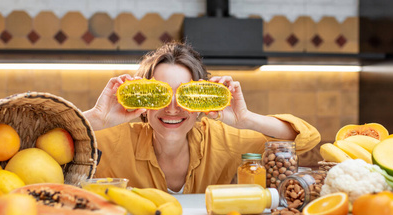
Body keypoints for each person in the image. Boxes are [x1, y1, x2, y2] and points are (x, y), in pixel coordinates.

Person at [83, 41, 320, 194]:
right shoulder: (111, 141)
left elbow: (303, 141)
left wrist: (245, 119)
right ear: (144, 102)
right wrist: (96, 119)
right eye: (161, 95)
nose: (173, 108)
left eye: (185, 96)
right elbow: (46, 143)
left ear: (201, 102)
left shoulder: (224, 140)